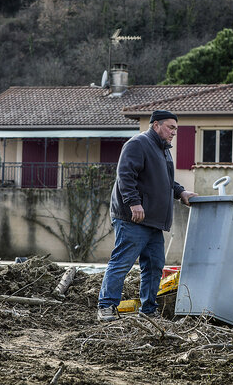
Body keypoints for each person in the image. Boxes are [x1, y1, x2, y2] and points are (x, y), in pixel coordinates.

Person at [97, 110, 197, 322]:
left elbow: (167, 182)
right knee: (122, 262)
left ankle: (148, 311)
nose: (174, 132)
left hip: (153, 221)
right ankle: (106, 307)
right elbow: (125, 176)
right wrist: (134, 203)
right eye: (170, 127)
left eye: (176, 129)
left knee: (154, 266)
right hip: (133, 218)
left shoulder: (163, 151)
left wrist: (181, 193)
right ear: (155, 125)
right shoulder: (138, 144)